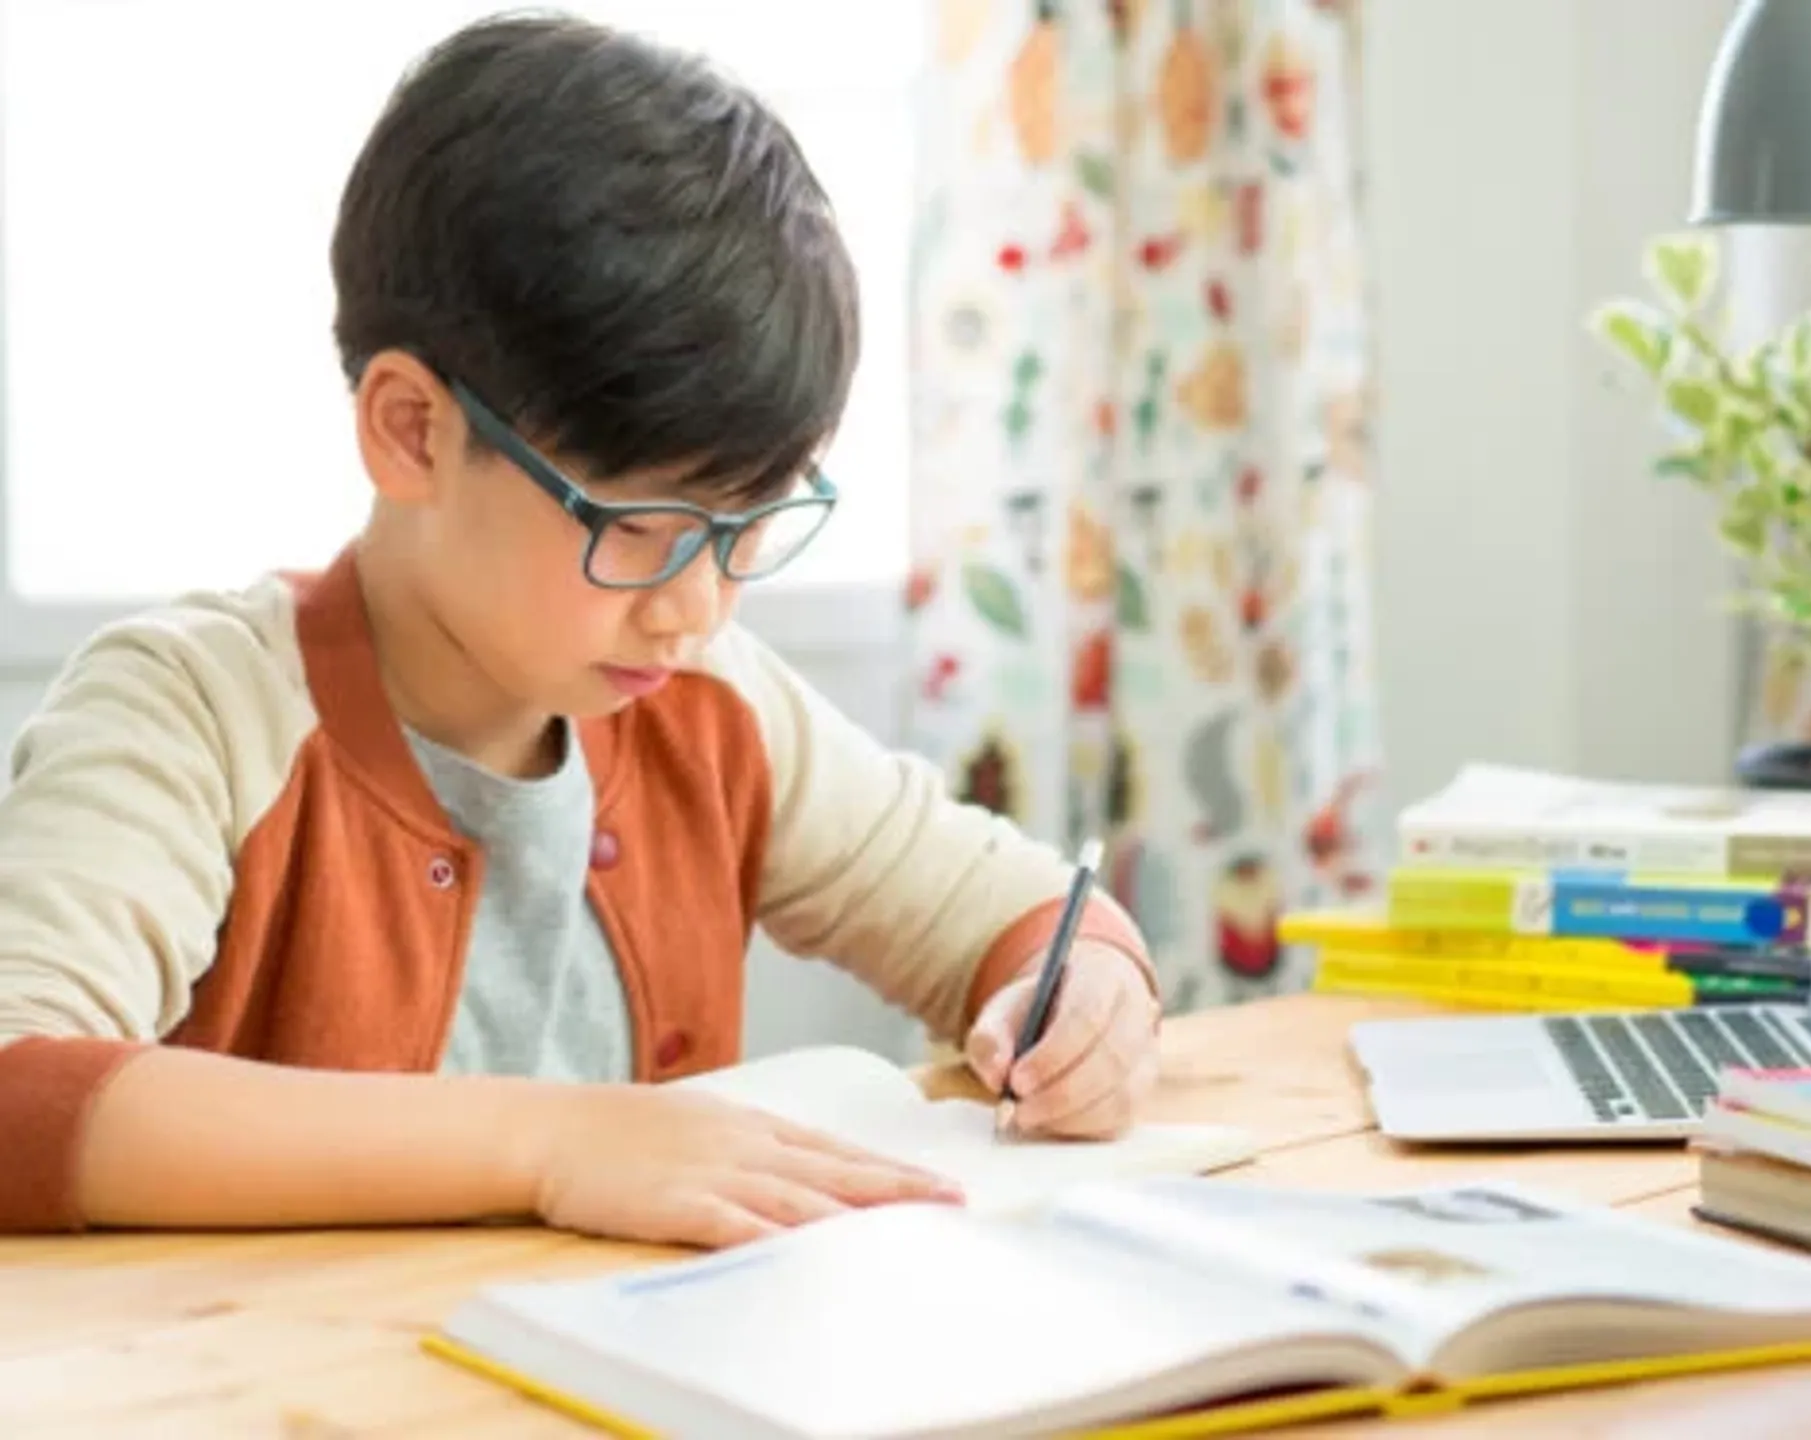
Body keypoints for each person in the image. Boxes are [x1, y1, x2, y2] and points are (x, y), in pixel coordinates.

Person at [0, 13, 1161, 1247]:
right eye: (643, 525)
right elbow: (17, 1088)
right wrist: (556, 1139)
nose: (697, 605)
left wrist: (1083, 990)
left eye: (750, 527)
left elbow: (1013, 913)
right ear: (412, 430)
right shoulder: (193, 715)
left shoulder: (709, 703)